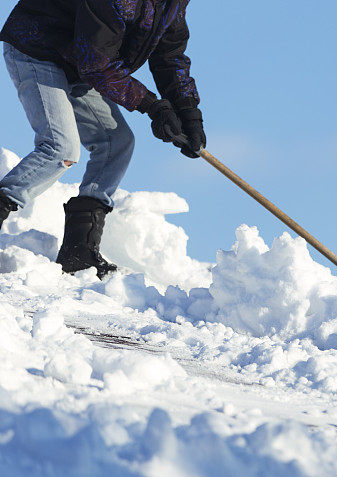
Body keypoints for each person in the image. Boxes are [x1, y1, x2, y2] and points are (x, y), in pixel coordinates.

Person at [0, 0, 206, 277]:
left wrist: (189, 114)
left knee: (117, 143)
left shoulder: (172, 4)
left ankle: (79, 251)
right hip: (38, 49)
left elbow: (169, 55)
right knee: (60, 148)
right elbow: (96, 64)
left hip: (79, 63)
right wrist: (152, 106)